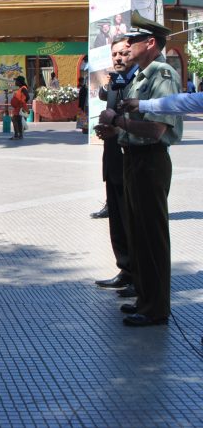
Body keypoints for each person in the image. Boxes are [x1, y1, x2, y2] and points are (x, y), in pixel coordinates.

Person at [97, 10, 183, 327]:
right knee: (138, 235)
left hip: (150, 160)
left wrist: (119, 122)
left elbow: (157, 129)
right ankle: (145, 300)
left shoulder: (162, 75)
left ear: (150, 43)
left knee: (151, 237)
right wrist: (115, 130)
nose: (128, 45)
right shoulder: (142, 76)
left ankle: (156, 308)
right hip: (133, 158)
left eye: (134, 40)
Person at [92, 40, 135, 297]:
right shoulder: (115, 82)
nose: (118, 58)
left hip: (131, 160)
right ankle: (125, 270)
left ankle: (139, 277)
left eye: (123, 53)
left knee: (132, 223)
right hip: (113, 160)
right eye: (114, 54)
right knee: (118, 223)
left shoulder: (137, 82)